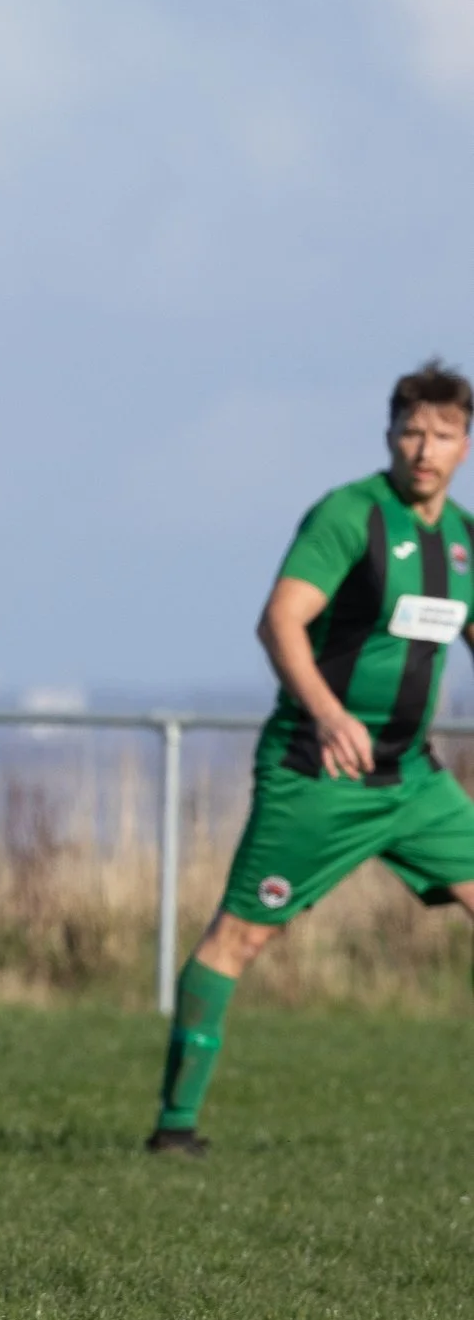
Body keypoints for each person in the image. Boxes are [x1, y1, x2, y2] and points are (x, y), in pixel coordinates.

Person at [148, 360, 474, 1156]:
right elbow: (280, 621)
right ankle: (175, 1127)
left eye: (443, 434)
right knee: (241, 937)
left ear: (465, 444)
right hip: (316, 773)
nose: (423, 449)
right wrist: (328, 716)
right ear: (390, 435)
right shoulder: (349, 516)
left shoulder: (462, 541)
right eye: (410, 431)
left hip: (412, 778)